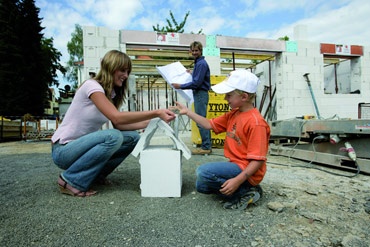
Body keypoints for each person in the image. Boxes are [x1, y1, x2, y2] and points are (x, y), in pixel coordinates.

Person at [51, 50, 176, 197]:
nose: (126, 75)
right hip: (64, 150)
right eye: (122, 70)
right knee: (113, 137)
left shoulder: (110, 95)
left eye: (128, 71)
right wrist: (156, 112)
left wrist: (156, 120)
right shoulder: (92, 86)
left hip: (81, 150)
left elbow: (120, 125)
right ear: (111, 67)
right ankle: (71, 180)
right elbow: (117, 118)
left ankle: (95, 175)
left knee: (133, 138)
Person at [173, 69, 270, 210]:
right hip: (237, 165)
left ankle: (246, 191)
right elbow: (209, 124)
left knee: (203, 172)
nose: (225, 99)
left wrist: (237, 180)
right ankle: (241, 187)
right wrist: (188, 112)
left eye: (229, 95)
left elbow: (258, 160)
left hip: (247, 170)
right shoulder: (234, 114)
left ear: (244, 96)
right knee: (201, 186)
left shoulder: (256, 123)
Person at [172, 41, 212, 155]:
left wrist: (181, 86)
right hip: (200, 94)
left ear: (200, 51)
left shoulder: (201, 64)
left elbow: (196, 83)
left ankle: (206, 147)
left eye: (196, 50)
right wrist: (192, 73)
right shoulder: (199, 64)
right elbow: (199, 78)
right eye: (193, 50)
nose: (194, 52)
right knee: (202, 120)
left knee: (200, 121)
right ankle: (207, 145)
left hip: (200, 93)